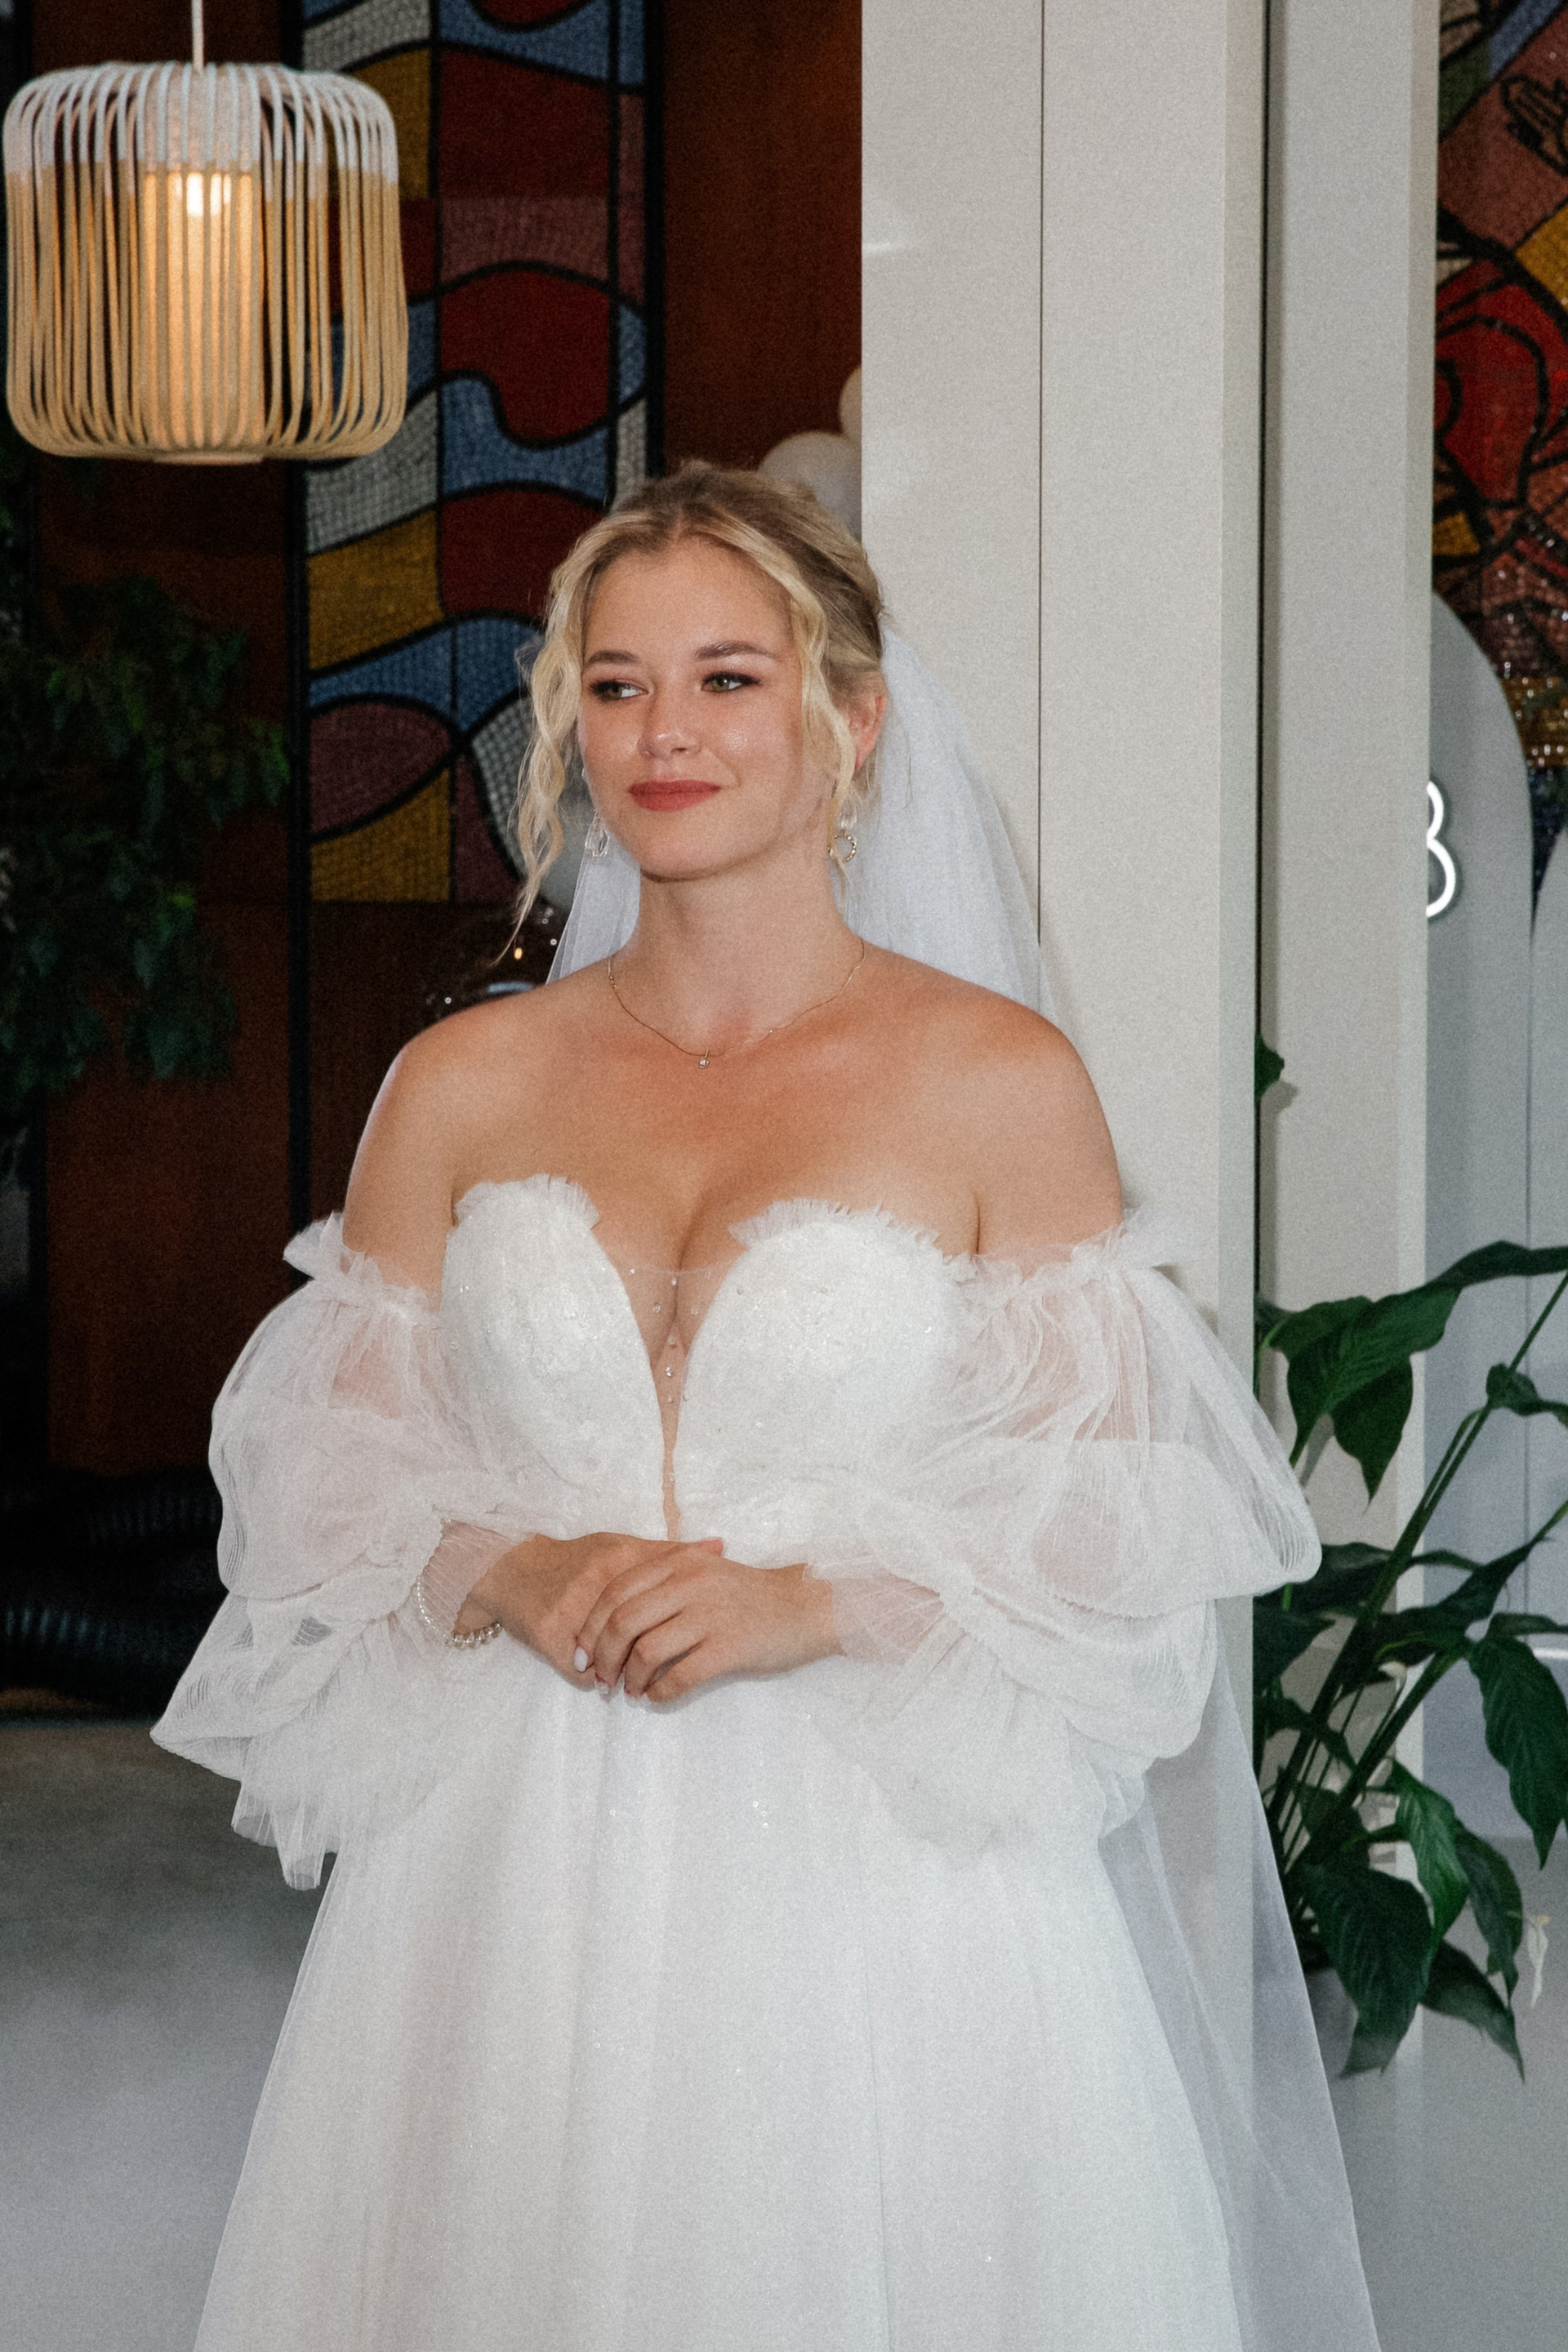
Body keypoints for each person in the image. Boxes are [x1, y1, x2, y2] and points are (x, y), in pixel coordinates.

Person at [155, 466, 1379, 2351]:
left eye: (728, 679)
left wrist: (814, 1599)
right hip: (512, 1878)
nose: (666, 733)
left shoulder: (996, 1082)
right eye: (617, 684)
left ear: (851, 718)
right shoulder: (461, 1083)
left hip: (879, 1878)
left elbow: (1108, 1517)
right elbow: (322, 1470)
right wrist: (504, 1567)